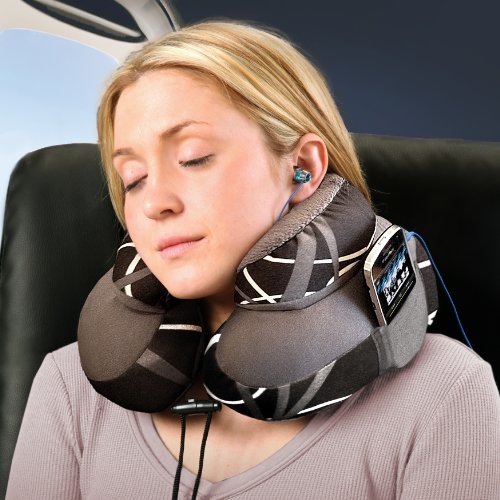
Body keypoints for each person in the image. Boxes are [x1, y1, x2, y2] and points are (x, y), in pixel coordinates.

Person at [7, 20, 500, 500]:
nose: (155, 202)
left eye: (194, 157)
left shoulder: (443, 395)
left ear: (302, 167)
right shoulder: (70, 390)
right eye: (133, 179)